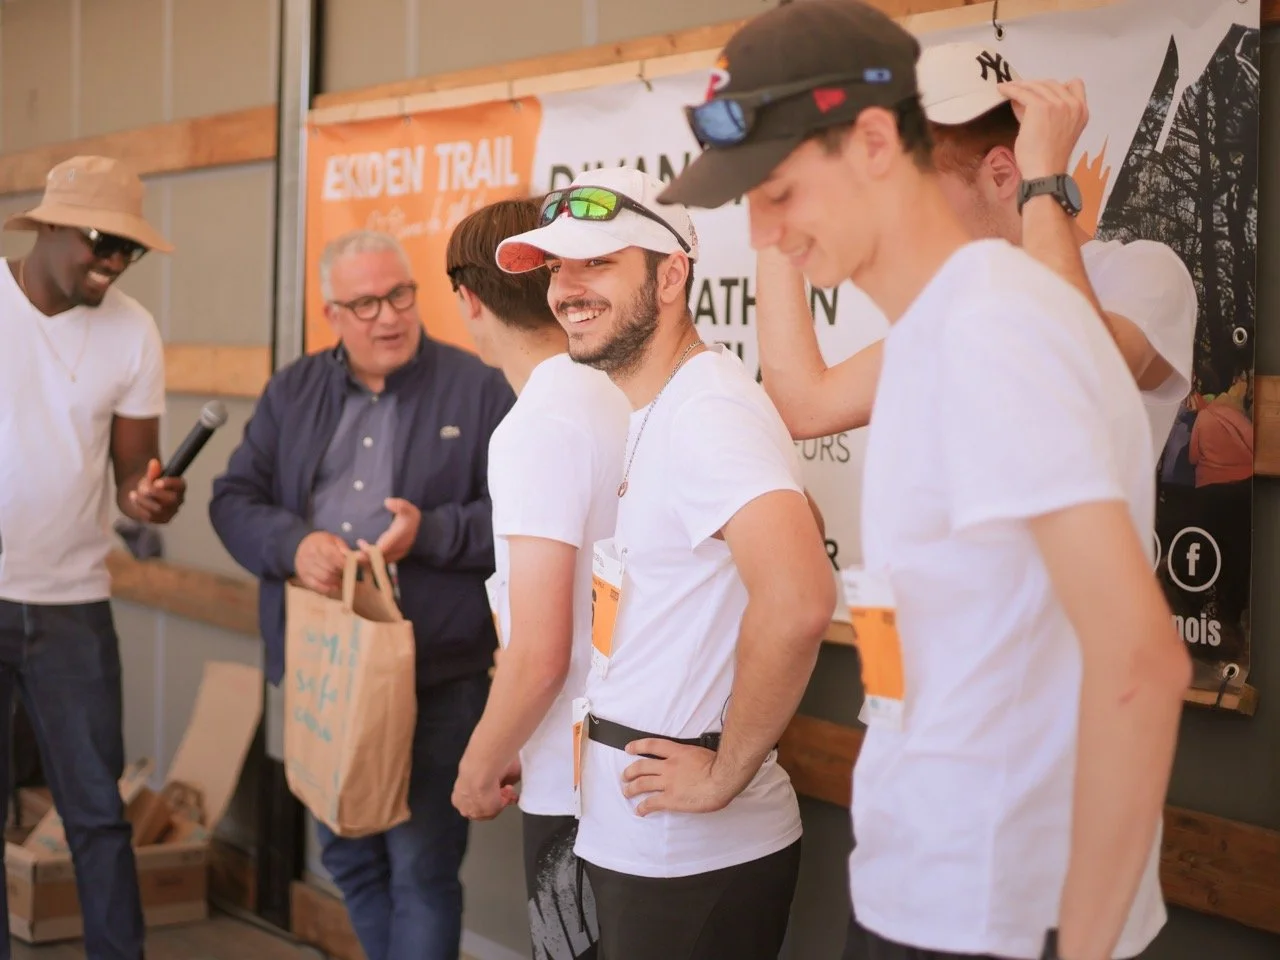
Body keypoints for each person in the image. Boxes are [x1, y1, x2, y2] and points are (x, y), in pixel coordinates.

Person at [661, 3, 1192, 960]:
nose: (768, 233)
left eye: (779, 190)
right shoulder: (945, 329)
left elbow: (1141, 664)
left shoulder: (997, 331)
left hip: (995, 908)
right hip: (930, 883)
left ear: (873, 141)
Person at [494, 166, 835, 960]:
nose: (566, 289)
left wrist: (722, 776)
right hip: (642, 843)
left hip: (690, 857)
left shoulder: (707, 409)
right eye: (557, 268)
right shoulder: (668, 406)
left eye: (597, 264)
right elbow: (799, 528)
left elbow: (798, 599)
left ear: (672, 274)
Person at [208, 229, 514, 960]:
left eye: (401, 294)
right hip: (323, 666)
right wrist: (293, 547)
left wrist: (430, 533)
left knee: (422, 868)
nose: (389, 315)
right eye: (367, 302)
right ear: (332, 313)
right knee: (348, 855)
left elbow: (521, 524)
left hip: (436, 672)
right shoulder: (294, 388)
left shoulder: (479, 388)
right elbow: (232, 498)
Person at [753, 39, 1196, 468]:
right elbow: (805, 405)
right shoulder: (961, 306)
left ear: (1002, 174)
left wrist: (1044, 178)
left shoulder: (1142, 273)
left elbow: (1073, 360)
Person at [0, 154, 184, 960]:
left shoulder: (133, 331)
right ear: (47, 228)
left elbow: (130, 473)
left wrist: (146, 499)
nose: (111, 262)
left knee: (98, 817)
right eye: (100, 242)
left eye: (127, 250)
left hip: (74, 603)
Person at [447, 197, 630, 959]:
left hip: (583, 783)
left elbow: (542, 653)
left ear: (468, 300)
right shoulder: (622, 390)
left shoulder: (540, 424)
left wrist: (479, 763)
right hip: (629, 761)